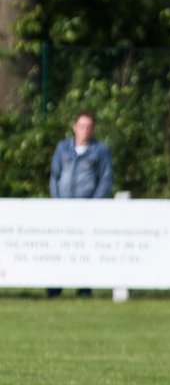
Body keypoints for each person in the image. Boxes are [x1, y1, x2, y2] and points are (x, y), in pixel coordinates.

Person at [48, 110, 113, 298]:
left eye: (89, 127)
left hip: (87, 209)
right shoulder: (63, 148)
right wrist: (57, 202)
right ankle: (54, 287)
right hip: (63, 207)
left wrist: (94, 205)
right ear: (75, 127)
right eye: (82, 126)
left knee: (85, 249)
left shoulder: (100, 150)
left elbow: (105, 179)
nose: (85, 130)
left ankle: (84, 288)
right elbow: (55, 176)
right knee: (58, 248)